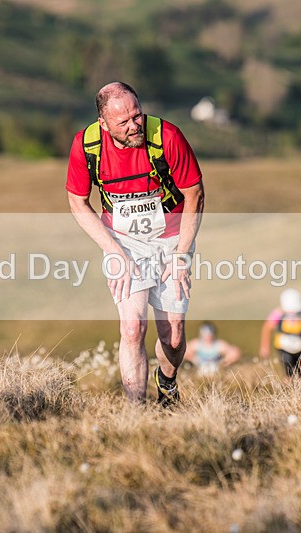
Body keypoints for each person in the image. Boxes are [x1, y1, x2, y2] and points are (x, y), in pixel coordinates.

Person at [66, 81, 205, 405]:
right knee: (132, 328)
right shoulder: (87, 145)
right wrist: (114, 251)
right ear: (103, 123)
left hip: (172, 237)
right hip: (124, 240)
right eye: (123, 122)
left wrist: (181, 255)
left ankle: (167, 383)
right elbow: (77, 202)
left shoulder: (166, 137)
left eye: (137, 116)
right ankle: (135, 411)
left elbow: (194, 194)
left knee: (172, 335)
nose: (134, 126)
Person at [259, 289, 301, 377]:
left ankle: (300, 387)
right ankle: (288, 387)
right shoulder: (277, 314)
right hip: (283, 348)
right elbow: (267, 328)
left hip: (300, 349)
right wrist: (265, 346)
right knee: (289, 372)